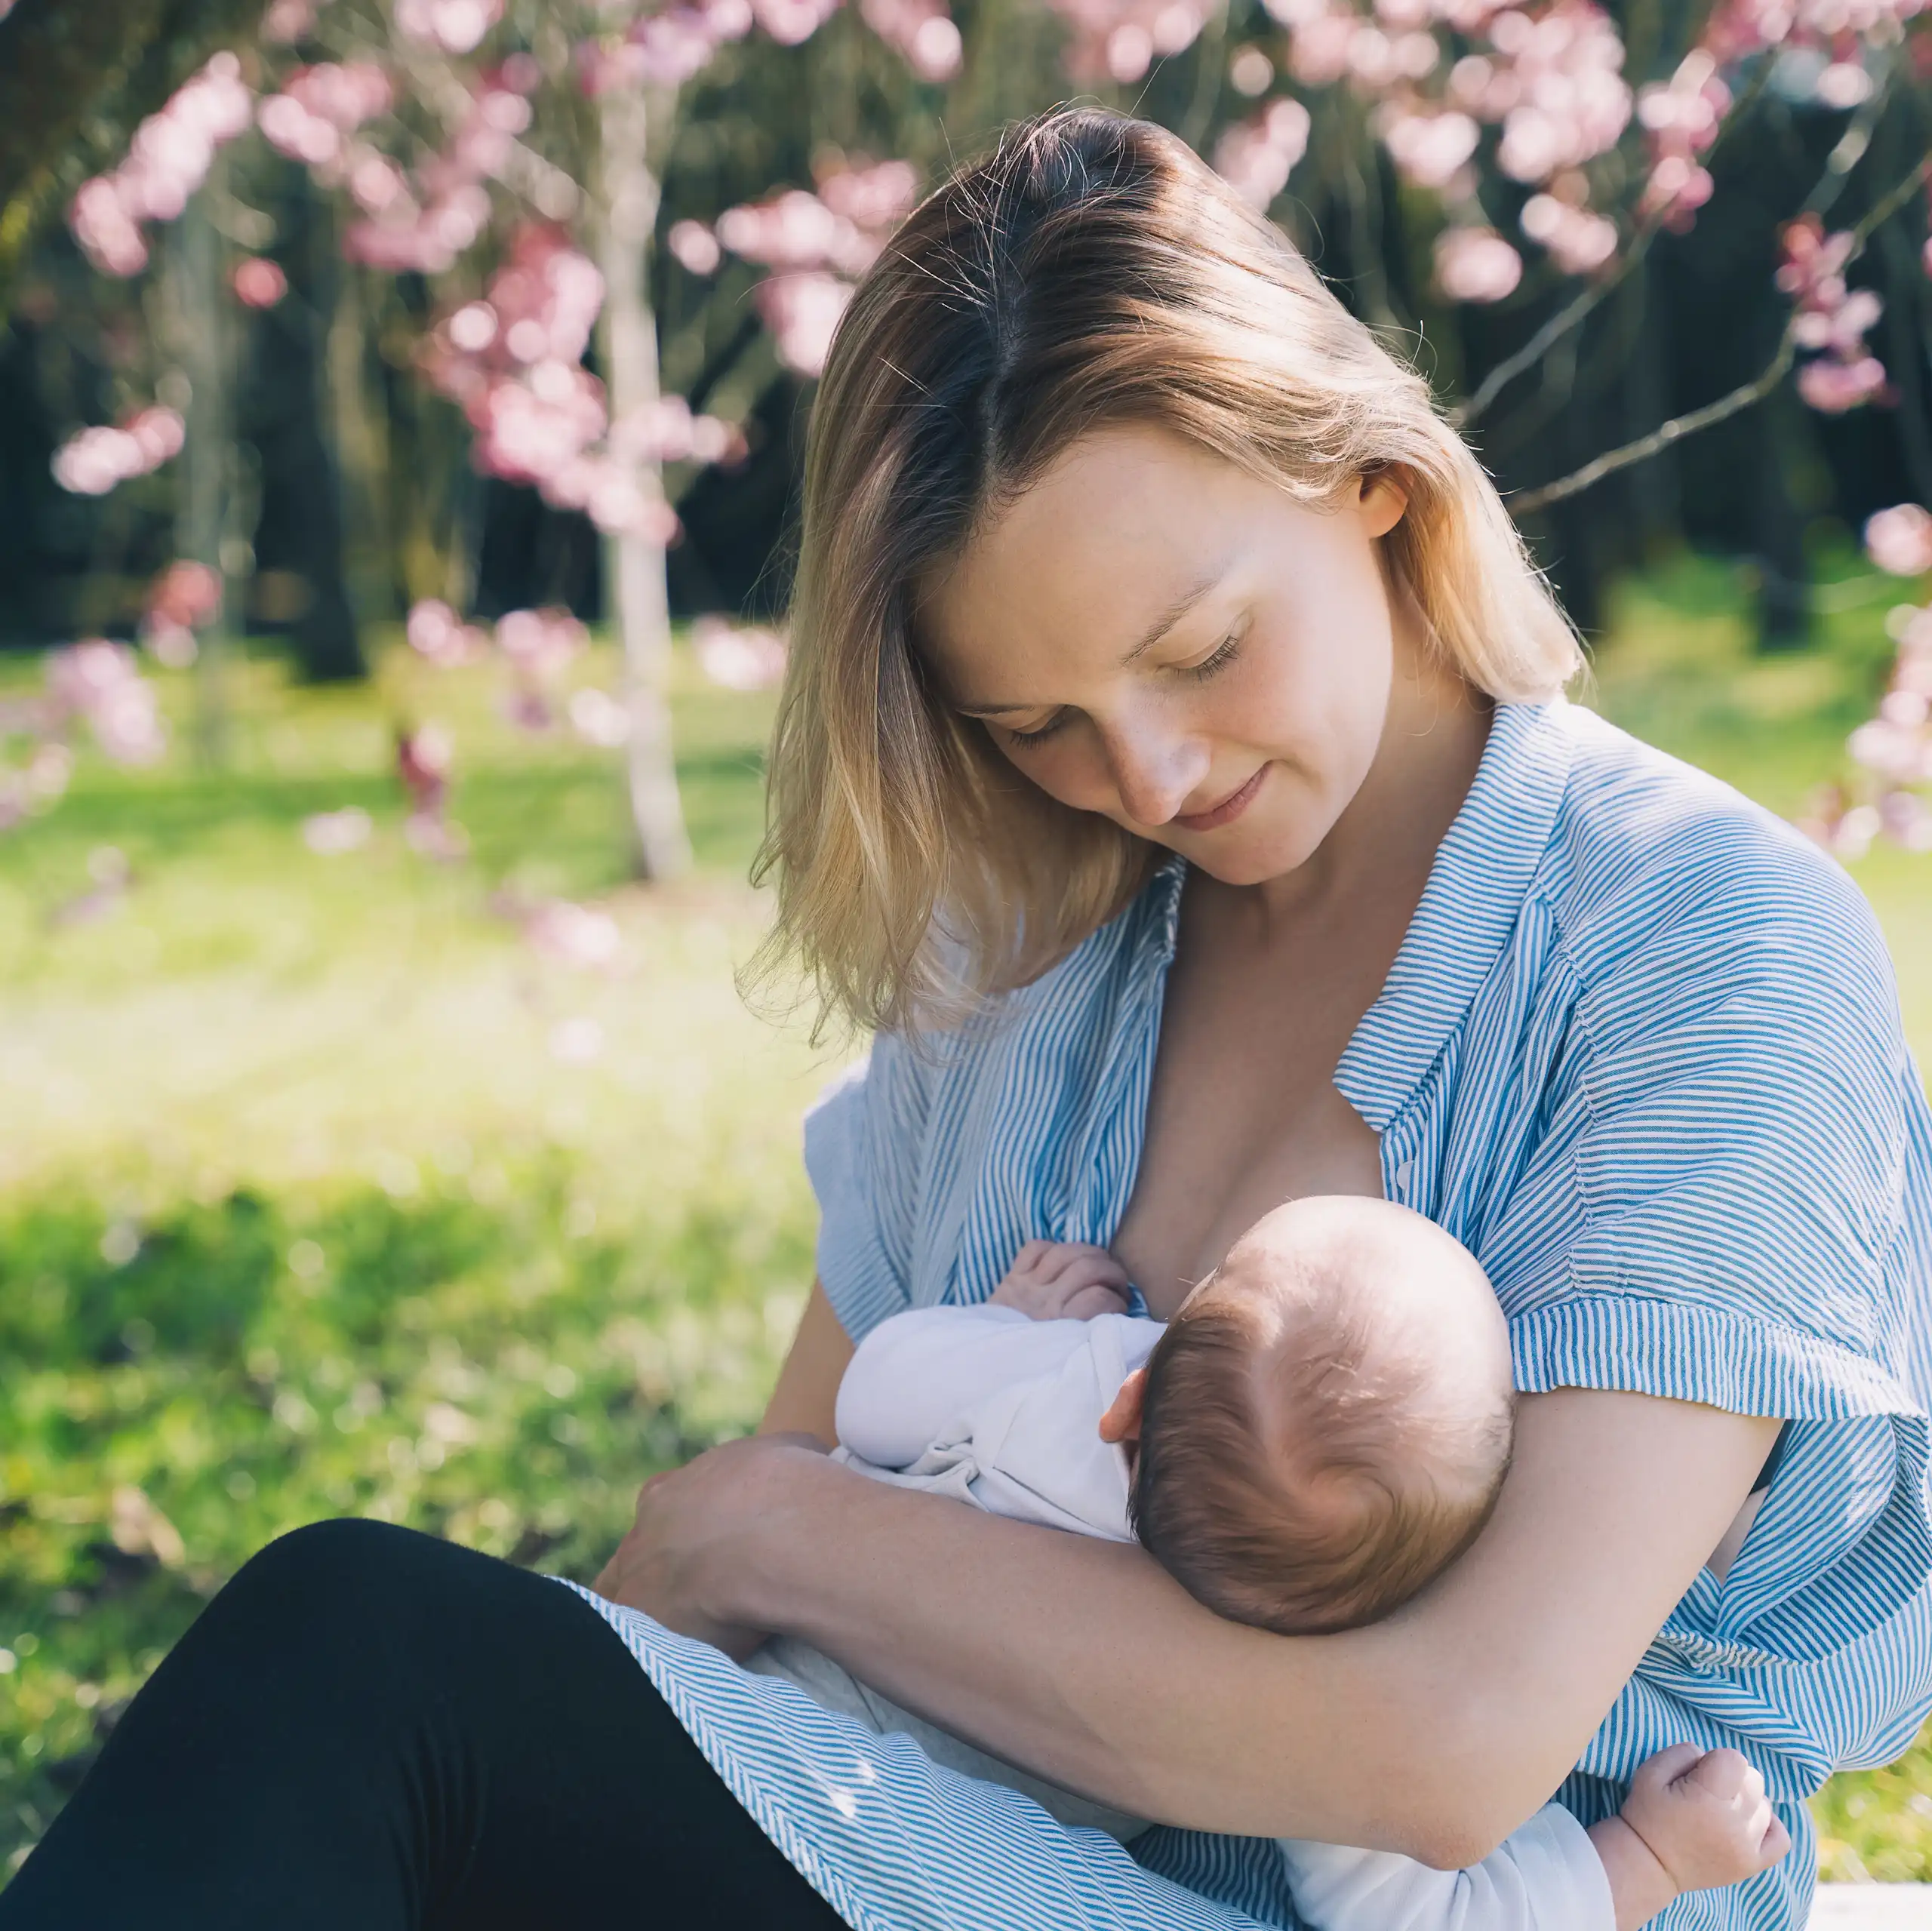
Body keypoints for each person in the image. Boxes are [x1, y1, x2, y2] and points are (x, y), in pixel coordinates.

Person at [6, 103, 1930, 1931]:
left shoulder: (1701, 948)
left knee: (372, 1646)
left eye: (1199, 652)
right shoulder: (1031, 940)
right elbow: (721, 1636)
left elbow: (1443, 1748)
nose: (1152, 771)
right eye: (1040, 722)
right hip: (942, 1859)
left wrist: (769, 1525)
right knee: (363, 1678)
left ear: (1366, 476)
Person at [749, 1205, 1792, 1931]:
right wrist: (1650, 1860)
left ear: (1136, 1396)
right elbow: (1412, 1916)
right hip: (907, 1861)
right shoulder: (1302, 1700)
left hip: (766, 1708)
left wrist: (1013, 1328)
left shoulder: (1073, 1384)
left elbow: (871, 1392)